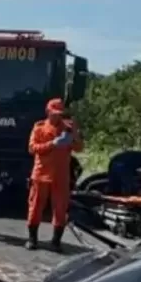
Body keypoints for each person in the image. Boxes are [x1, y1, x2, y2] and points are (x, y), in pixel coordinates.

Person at [26, 98, 83, 251]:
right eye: (54, 113)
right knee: (35, 207)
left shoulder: (68, 128)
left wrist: (75, 133)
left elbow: (79, 148)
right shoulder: (39, 127)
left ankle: (56, 241)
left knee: (60, 209)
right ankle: (32, 239)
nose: (57, 116)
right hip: (41, 174)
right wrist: (52, 144)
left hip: (61, 176)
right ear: (48, 112)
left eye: (59, 113)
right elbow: (32, 148)